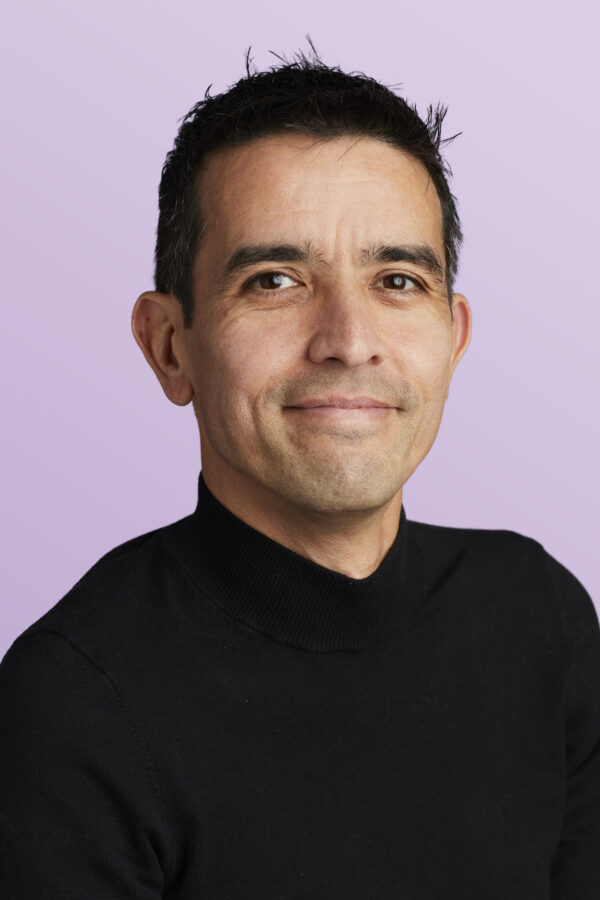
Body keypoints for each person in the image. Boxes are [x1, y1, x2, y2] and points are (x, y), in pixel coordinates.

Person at [1, 47, 599, 899]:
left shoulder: (542, 618)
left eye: (398, 280)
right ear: (171, 347)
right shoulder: (72, 705)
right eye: (275, 280)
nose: (349, 339)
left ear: (455, 337)